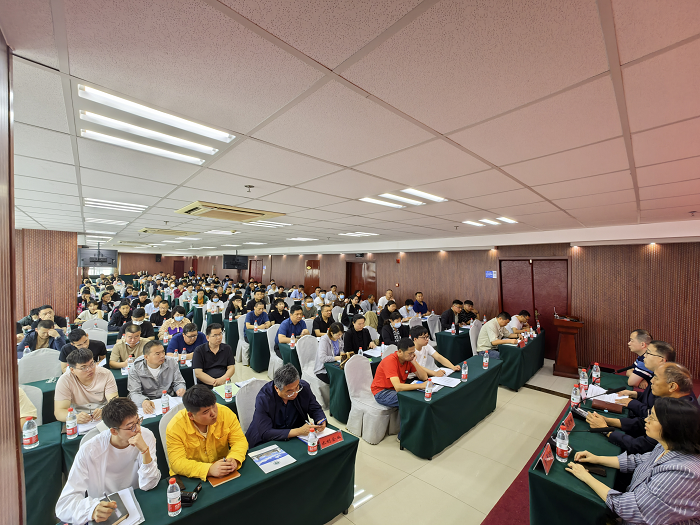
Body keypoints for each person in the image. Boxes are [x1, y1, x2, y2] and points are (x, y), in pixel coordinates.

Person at [566, 397, 700, 524]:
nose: (646, 419)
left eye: (652, 417)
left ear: (670, 428)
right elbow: (637, 461)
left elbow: (626, 507)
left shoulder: (683, 473)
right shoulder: (667, 445)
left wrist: (586, 476)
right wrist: (597, 459)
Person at [55, 397, 160, 525]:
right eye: (131, 427)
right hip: (107, 510)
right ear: (113, 431)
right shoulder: (90, 450)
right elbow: (64, 505)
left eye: (138, 421)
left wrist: (145, 452)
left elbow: (149, 484)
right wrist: (92, 509)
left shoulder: (146, 436)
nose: (138, 429)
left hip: (138, 501)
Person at [166, 385, 248, 480]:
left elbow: (239, 441)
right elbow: (177, 463)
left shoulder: (225, 413)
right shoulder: (175, 427)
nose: (213, 413)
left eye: (214, 406)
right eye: (206, 412)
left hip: (222, 470)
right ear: (191, 415)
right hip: (191, 478)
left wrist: (234, 458)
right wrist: (208, 469)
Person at [245, 364, 326, 448]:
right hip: (267, 441)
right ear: (277, 388)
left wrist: (320, 419)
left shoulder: (304, 387)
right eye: (289, 391)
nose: (295, 393)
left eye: (297, 387)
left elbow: (315, 408)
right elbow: (266, 433)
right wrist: (299, 431)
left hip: (295, 438)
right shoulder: (264, 398)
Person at [372, 337, 441, 409]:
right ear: (400, 352)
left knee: (420, 396)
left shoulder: (408, 360)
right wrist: (420, 385)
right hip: (382, 392)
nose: (412, 355)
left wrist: (414, 362)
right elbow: (398, 387)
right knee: (412, 399)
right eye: (410, 353)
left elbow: (424, 377)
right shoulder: (390, 361)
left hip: (396, 388)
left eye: (413, 352)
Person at [54, 347, 118, 423]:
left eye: (92, 364)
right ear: (72, 370)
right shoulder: (65, 380)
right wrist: (76, 417)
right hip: (78, 415)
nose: (90, 369)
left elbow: (114, 402)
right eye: (84, 367)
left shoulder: (105, 374)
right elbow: (59, 412)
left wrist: (104, 411)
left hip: (104, 414)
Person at [128, 341, 186, 414]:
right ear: (146, 357)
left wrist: (180, 388)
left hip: (168, 400)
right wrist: (143, 401)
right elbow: (134, 393)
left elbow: (178, 382)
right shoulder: (135, 368)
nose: (162, 356)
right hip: (149, 402)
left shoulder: (171, 362)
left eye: (163, 352)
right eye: (157, 354)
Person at [192, 324, 235, 388]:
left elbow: (231, 368)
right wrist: (215, 382)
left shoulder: (227, 348)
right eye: (215, 335)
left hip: (224, 383)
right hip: (205, 385)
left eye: (220, 334)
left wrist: (222, 380)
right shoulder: (199, 350)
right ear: (207, 338)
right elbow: (198, 373)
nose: (219, 337)